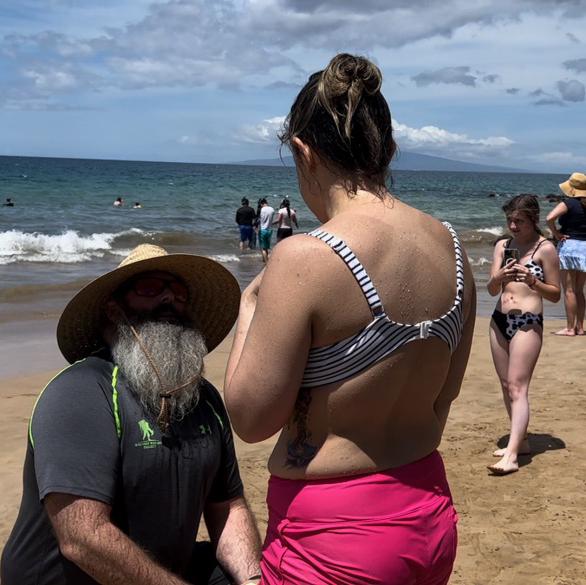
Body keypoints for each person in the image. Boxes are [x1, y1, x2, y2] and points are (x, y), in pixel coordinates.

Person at [224, 53, 476, 585]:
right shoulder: (453, 250)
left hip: (335, 538)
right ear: (388, 149)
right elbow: (441, 398)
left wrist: (248, 310)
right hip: (428, 513)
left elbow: (250, 420)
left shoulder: (307, 257)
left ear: (302, 151)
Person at [1, 244, 262, 585]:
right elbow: (82, 537)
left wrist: (254, 581)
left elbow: (228, 507)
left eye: (179, 293)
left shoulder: (205, 401)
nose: (169, 299)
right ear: (114, 310)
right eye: (150, 288)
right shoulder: (83, 391)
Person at [487, 195, 560, 475]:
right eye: (510, 221)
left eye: (519, 221)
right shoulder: (503, 246)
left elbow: (554, 294)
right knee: (507, 385)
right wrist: (501, 276)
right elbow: (493, 289)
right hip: (498, 320)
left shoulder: (545, 249)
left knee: (518, 387)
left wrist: (532, 281)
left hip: (528, 322)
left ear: (533, 220)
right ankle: (523, 441)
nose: (513, 226)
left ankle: (513, 455)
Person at [546, 172, 586, 336]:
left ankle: (570, 328)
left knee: (569, 290)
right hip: (585, 248)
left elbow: (549, 218)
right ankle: (581, 327)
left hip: (570, 247)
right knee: (579, 290)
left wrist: (556, 234)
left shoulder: (569, 203)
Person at [257, 198, 274, 263]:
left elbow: (259, 220)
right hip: (270, 230)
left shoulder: (261, 210)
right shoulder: (272, 209)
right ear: (266, 202)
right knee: (266, 247)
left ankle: (266, 263)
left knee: (263, 248)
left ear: (261, 203)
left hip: (263, 230)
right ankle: (265, 260)